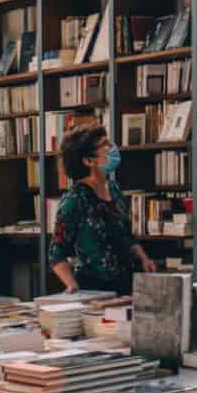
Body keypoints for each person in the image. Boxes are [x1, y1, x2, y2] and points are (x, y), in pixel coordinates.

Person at [48, 124, 156, 294]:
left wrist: (144, 258)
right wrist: (71, 285)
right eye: (104, 145)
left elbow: (127, 235)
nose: (112, 148)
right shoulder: (75, 200)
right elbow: (56, 253)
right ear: (88, 161)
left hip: (126, 285)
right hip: (94, 289)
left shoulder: (114, 189)